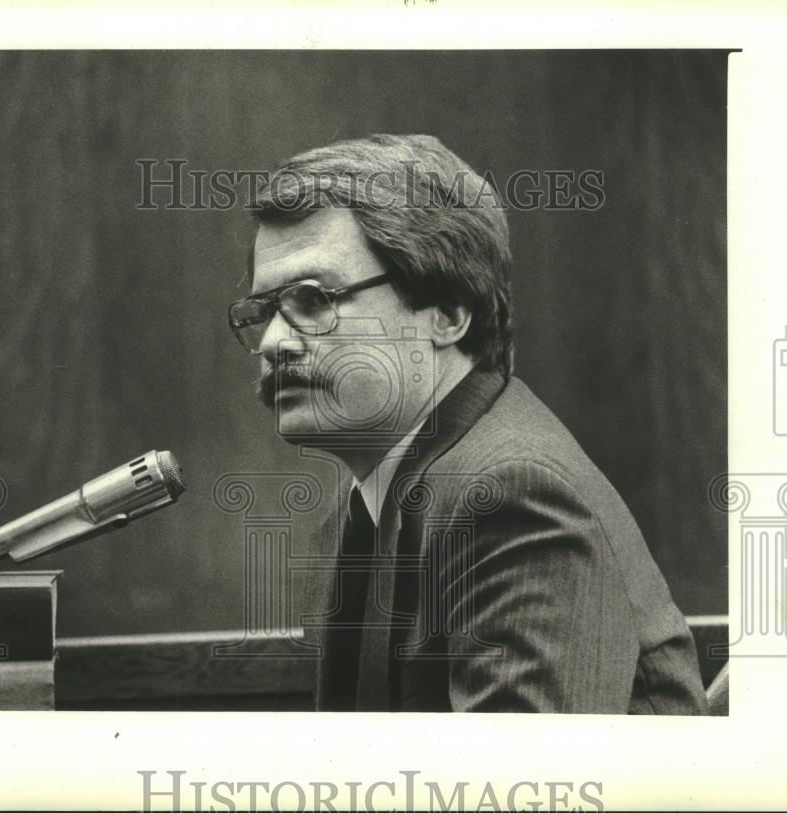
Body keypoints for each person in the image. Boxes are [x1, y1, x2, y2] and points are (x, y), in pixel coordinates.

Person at [227, 133, 708, 713]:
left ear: (449, 313)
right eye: (262, 312)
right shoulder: (362, 510)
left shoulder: (513, 495)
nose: (275, 342)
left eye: (313, 299)